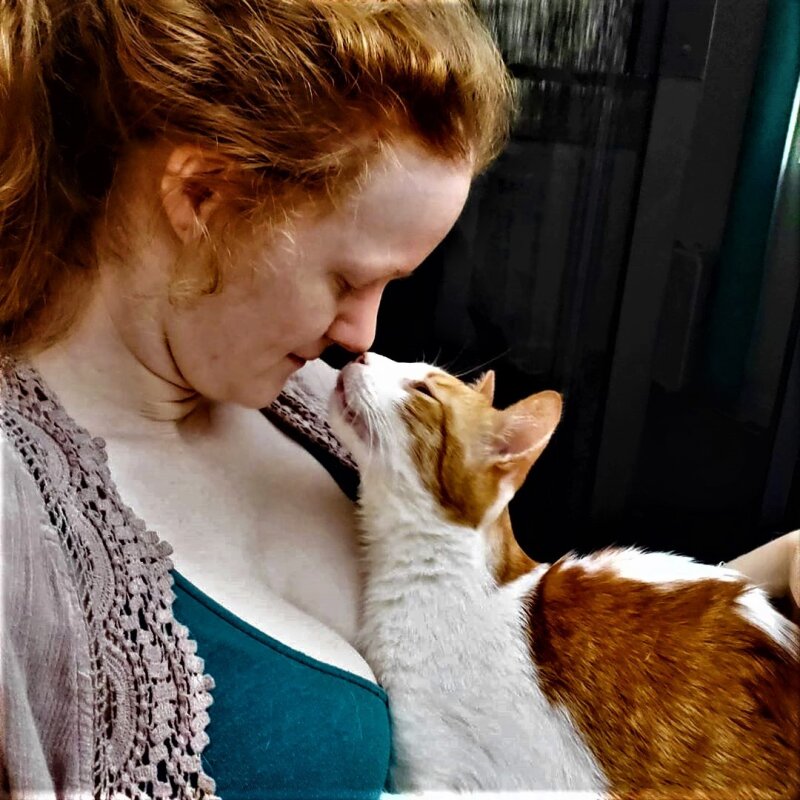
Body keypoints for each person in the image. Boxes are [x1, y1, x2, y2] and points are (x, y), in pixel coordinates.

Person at [0, 0, 795, 797]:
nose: (364, 334)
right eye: (348, 279)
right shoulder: (18, 528)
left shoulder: (313, 401)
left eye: (393, 286)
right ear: (202, 194)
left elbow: (512, 725)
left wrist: (764, 583)